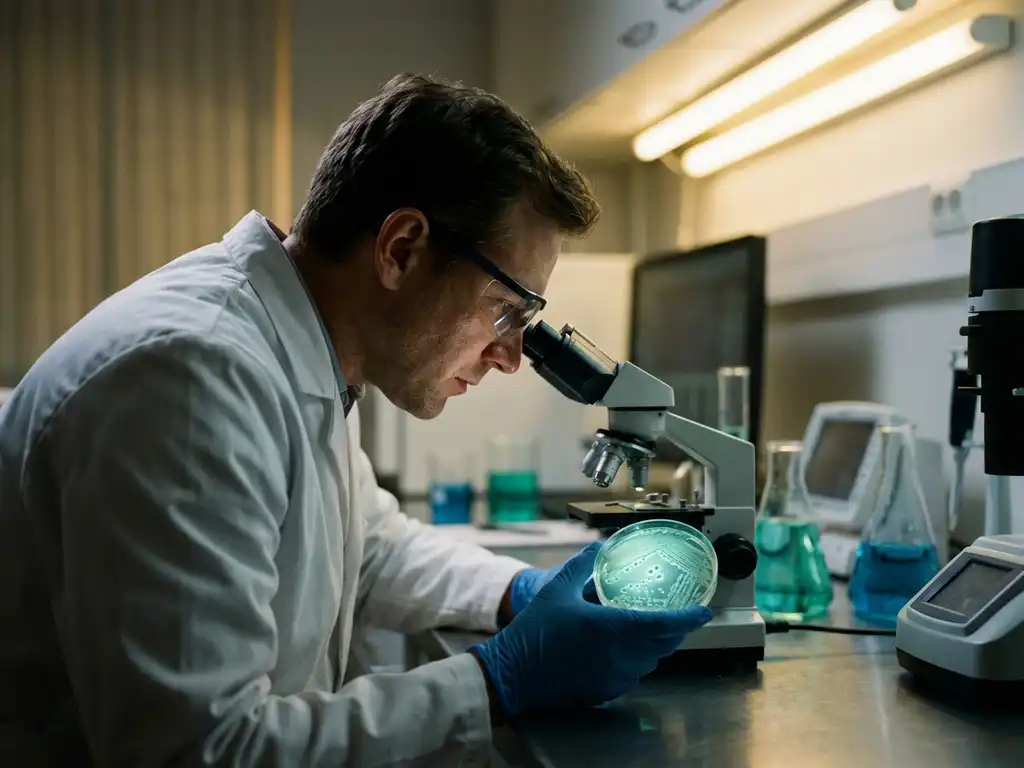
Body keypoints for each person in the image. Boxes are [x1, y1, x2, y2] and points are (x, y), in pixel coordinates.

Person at [0, 74, 711, 766]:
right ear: (401, 249)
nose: (510, 355)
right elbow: (205, 750)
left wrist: (514, 595)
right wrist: (496, 680)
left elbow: (368, 544)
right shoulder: (193, 380)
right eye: (508, 309)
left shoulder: (304, 350)